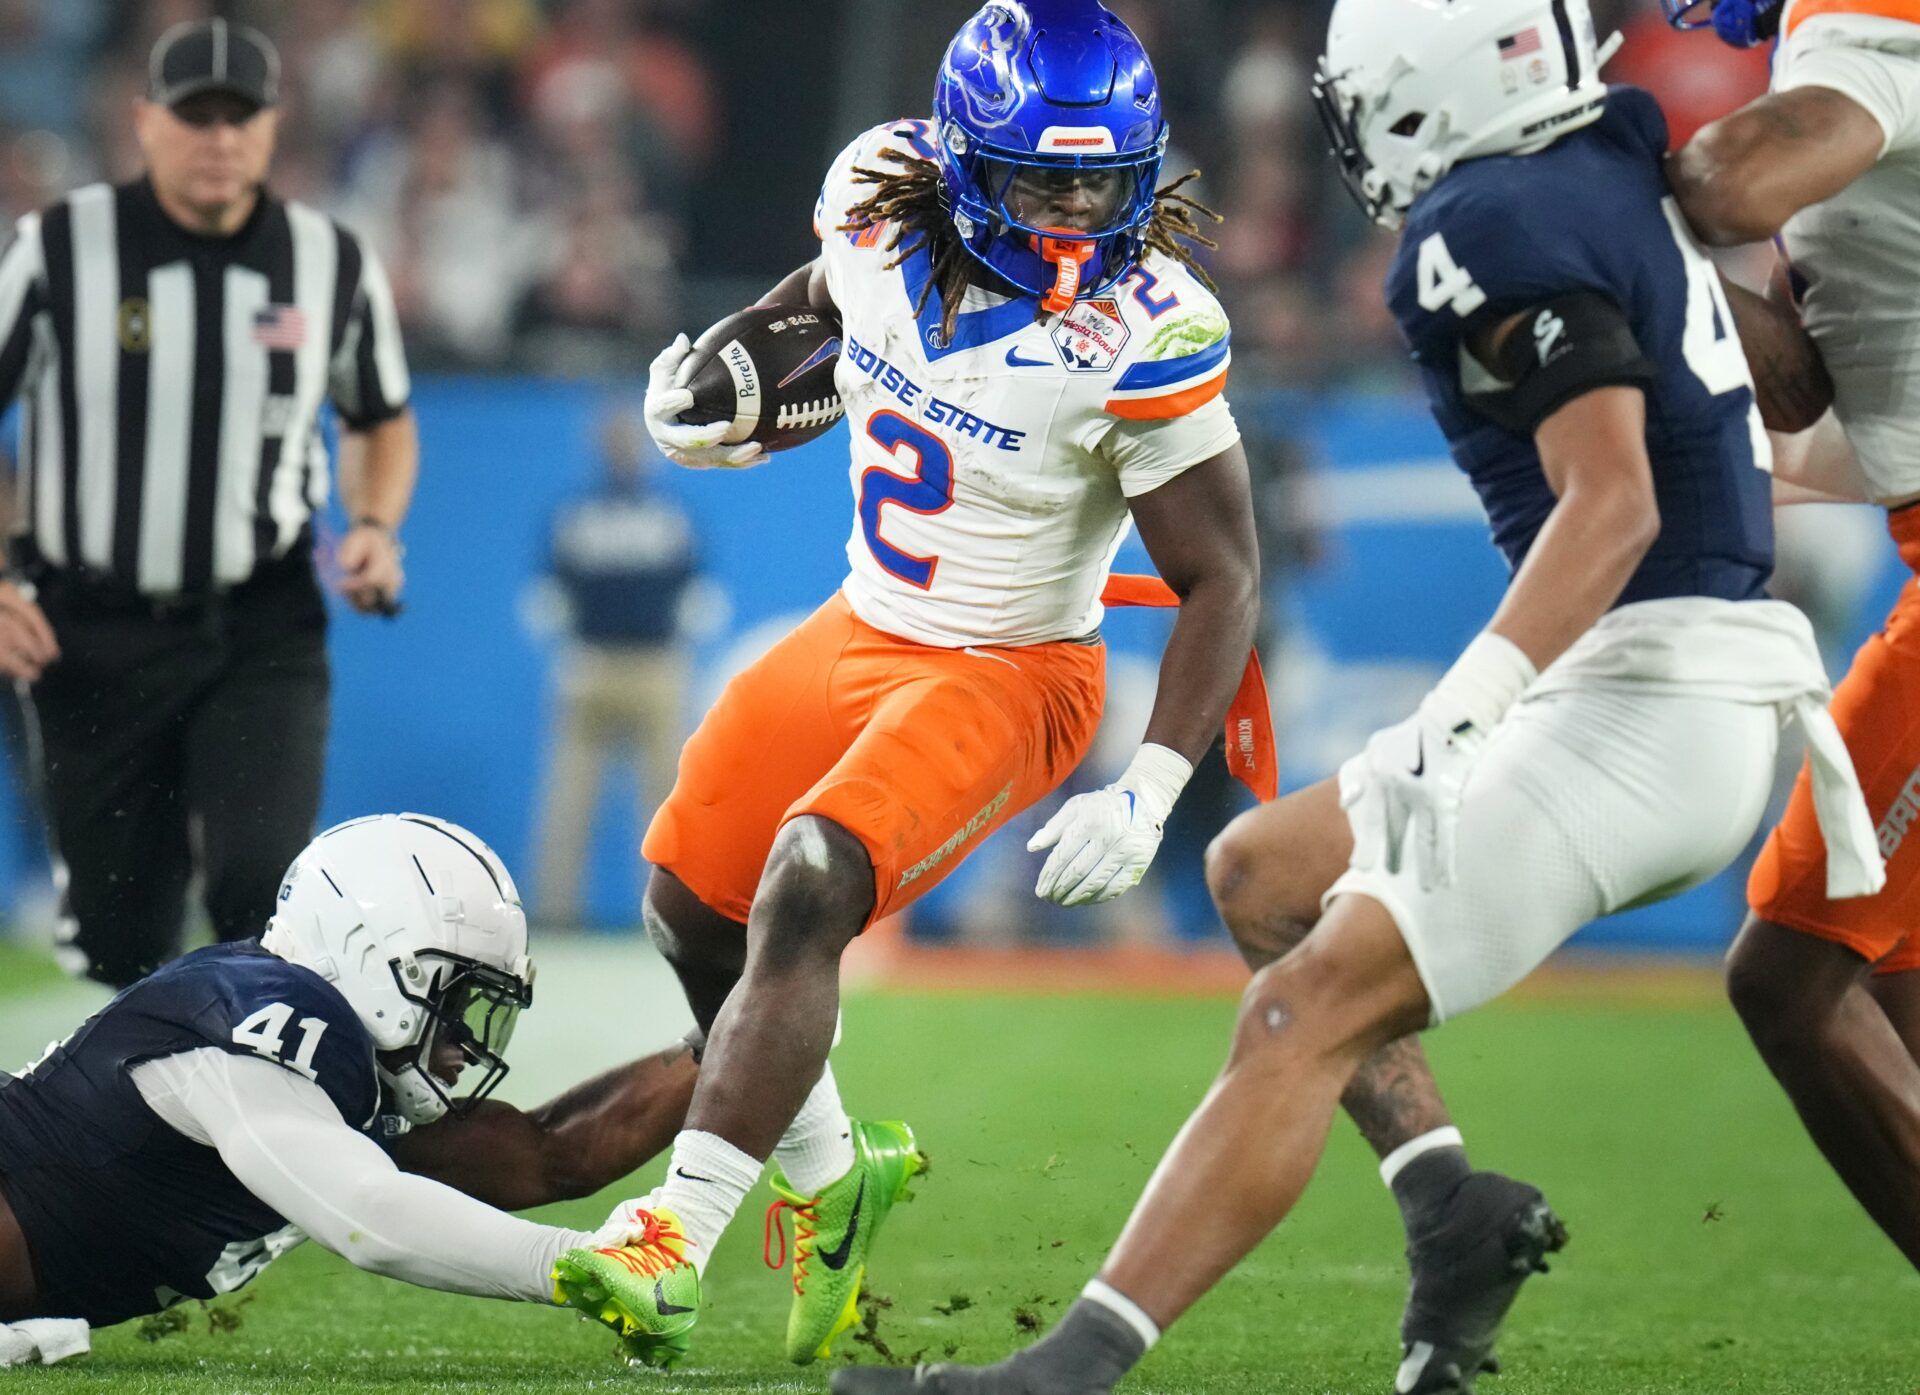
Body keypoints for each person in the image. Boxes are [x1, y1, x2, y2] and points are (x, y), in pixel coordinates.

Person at [826, 0, 1884, 1391]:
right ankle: (1452, 1209)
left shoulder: (1481, 221)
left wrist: (1460, 714)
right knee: (1261, 870)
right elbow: (1794, 376)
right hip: (1667, 676)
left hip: (1650, 695)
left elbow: (1614, 504)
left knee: (1296, 1010)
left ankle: (1062, 1371)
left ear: (1424, 90)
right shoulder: (1599, 171)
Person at [548, 0, 1263, 1371]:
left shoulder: (1147, 328)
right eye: (1041, 178)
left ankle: (671, 1239)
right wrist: (723, 378)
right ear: (959, 159)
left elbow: (1224, 573)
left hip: (1012, 665)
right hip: (865, 618)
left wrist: (1158, 781)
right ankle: (834, 1164)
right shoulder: (878, 196)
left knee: (811, 875)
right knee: (689, 905)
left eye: (1102, 180)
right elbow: (816, 308)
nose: (1073, 213)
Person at [0, 19, 417, 988]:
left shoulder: (327, 261)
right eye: (197, 117)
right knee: (119, 931)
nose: (219, 139)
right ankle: (138, 1117)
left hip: (259, 623)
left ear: (274, 127)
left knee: (260, 884)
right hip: (89, 624)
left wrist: (374, 527)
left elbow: (380, 417)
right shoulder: (59, 251)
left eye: (241, 117)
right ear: (144, 122)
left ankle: (257, 1114)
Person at [0, 814, 701, 1362]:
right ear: (372, 958)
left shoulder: (343, 1079)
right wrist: (581, 1266)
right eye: (454, 1000)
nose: (465, 1039)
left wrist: (733, 1040)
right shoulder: (261, 1018)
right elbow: (368, 1214)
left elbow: (548, 1154)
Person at [1664, 0, 1920, 1271]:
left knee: (1792, 975)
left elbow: (1723, 183)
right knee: (1885, 968)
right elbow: (1798, 378)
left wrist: (1581, 172)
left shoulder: (1862, 26)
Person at [530, 404, 701, 926]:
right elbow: (549, 595)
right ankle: (555, 915)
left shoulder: (663, 513)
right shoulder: (585, 513)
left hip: (652, 665)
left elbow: (695, 592)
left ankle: (668, 916)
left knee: (664, 801)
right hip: (595, 664)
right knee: (571, 799)